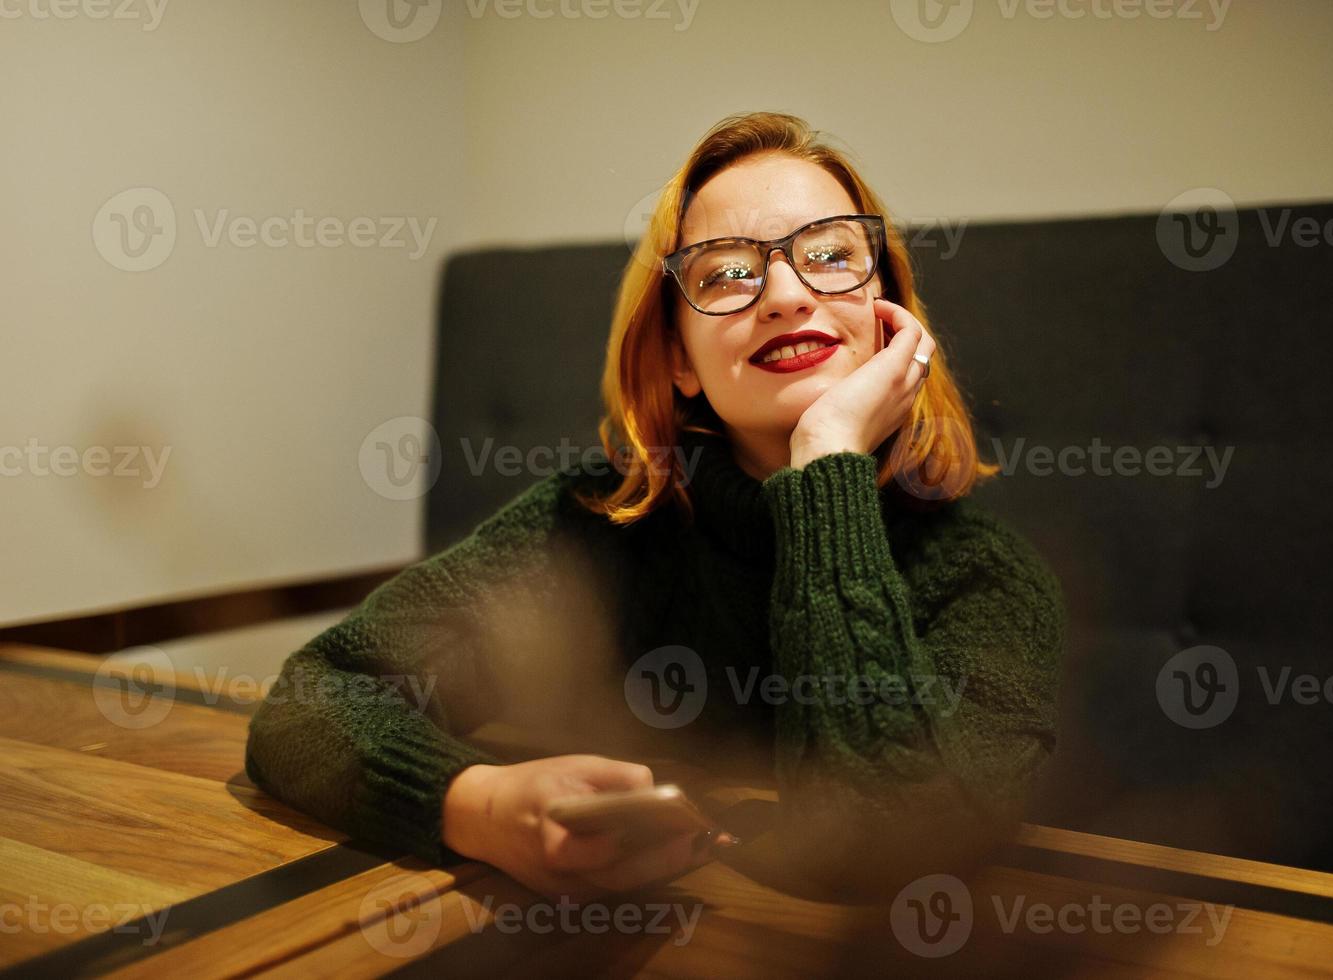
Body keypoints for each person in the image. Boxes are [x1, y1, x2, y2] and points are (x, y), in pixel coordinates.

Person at [245, 110, 1065, 902]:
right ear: (678, 358)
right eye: (728, 272)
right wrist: (478, 805)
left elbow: (890, 844)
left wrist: (827, 468)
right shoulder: (596, 525)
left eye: (829, 255)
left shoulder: (985, 580)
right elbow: (310, 700)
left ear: (890, 320)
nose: (783, 293)